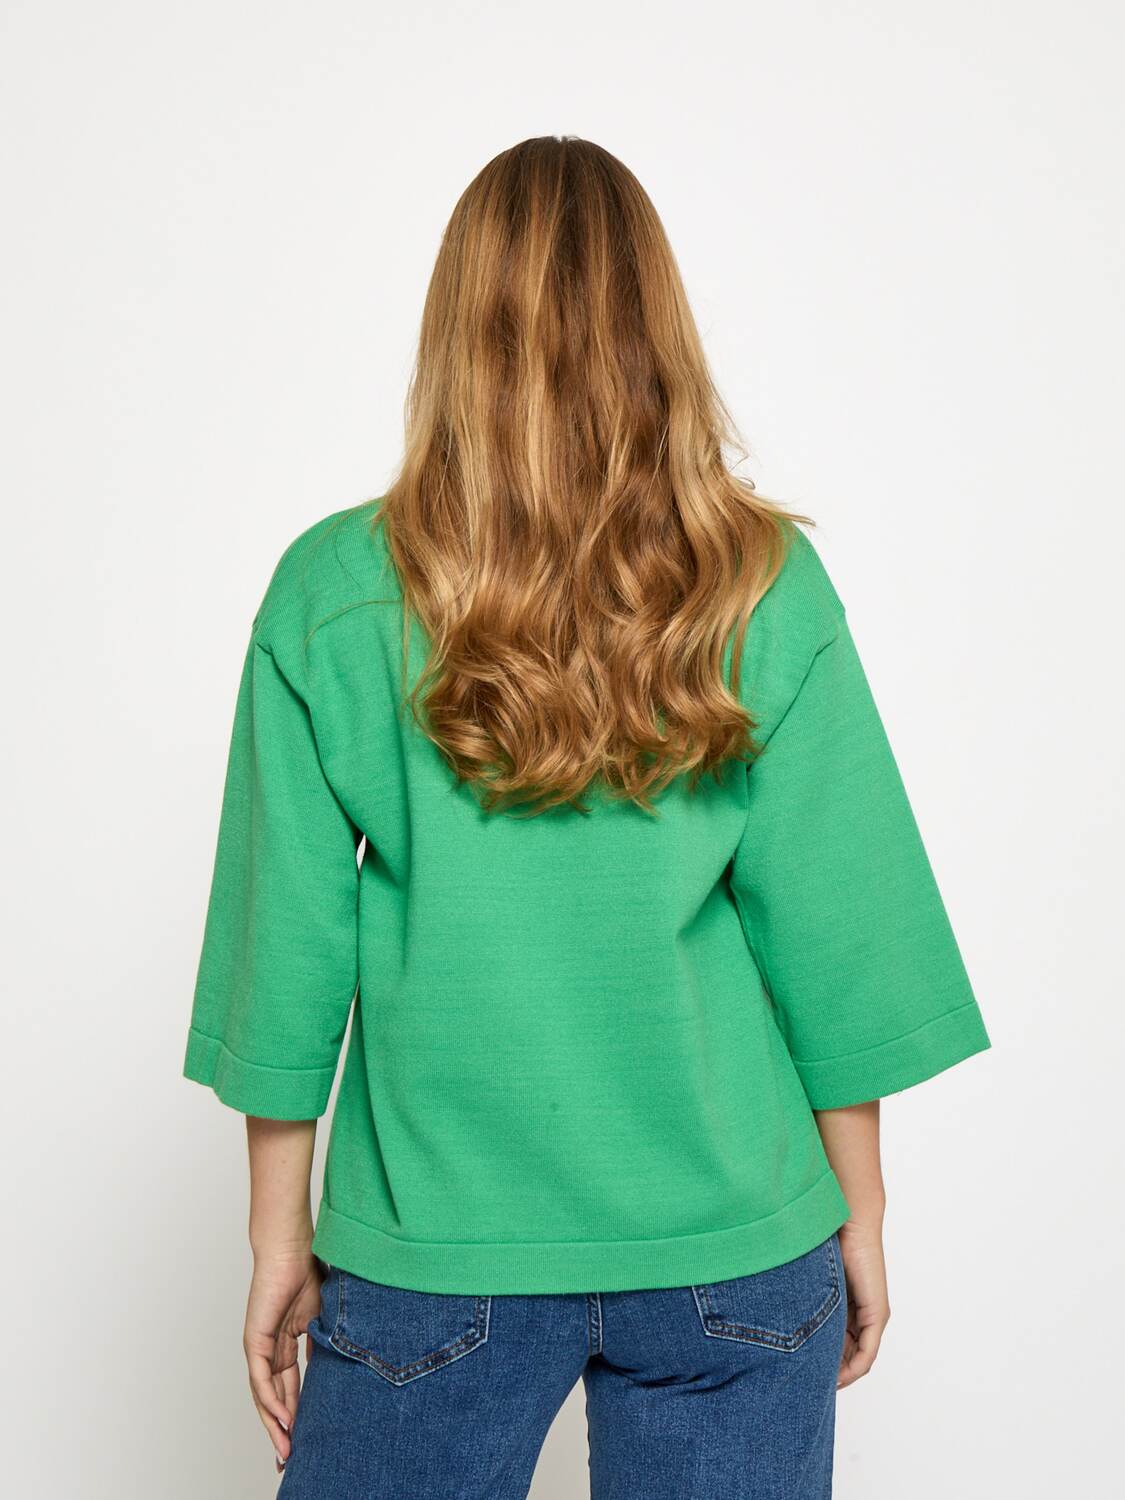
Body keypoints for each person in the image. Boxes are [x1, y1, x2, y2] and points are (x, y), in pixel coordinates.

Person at [183, 135, 990, 1499]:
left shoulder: (331, 592)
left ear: (454, 329)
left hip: (434, 1244)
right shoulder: (758, 583)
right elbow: (838, 940)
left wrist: (275, 1237)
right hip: (736, 1241)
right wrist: (862, 1207)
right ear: (654, 323)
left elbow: (285, 960)